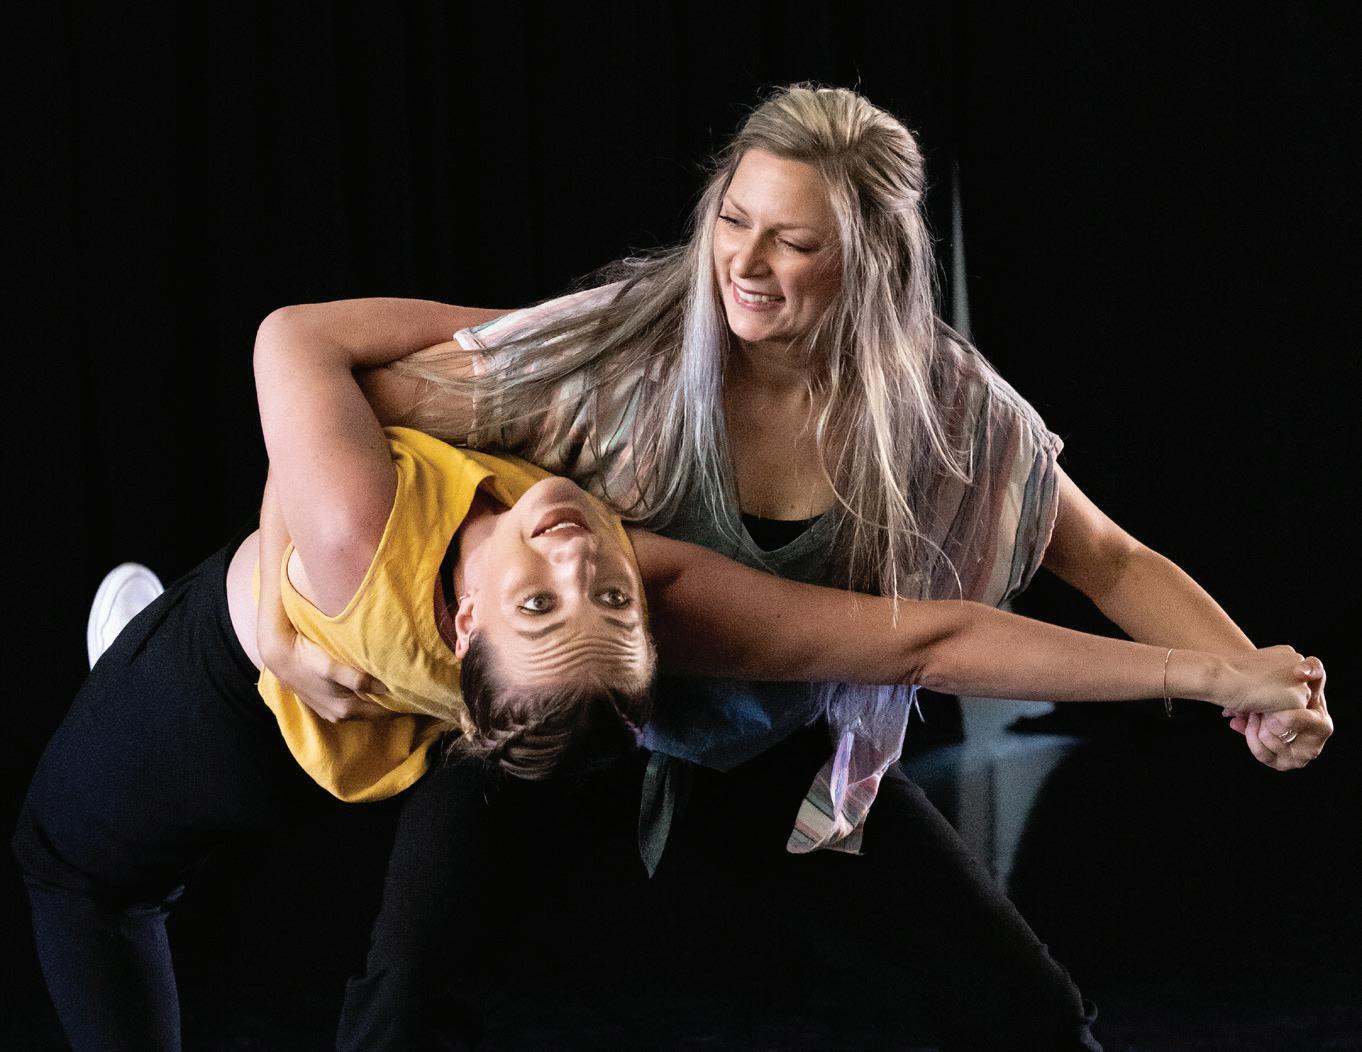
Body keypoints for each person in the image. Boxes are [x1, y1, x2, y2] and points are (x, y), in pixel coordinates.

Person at [261, 85, 1331, 1048]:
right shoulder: (624, 351)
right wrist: (276, 611)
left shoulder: (945, 412)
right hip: (560, 727)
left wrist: (1252, 685)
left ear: (873, 259)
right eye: (733, 220)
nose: (743, 261)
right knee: (406, 998)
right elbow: (345, 413)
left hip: (768, 749)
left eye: (793, 242)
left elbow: (1110, 558)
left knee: (1026, 1013)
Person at [17, 289, 1318, 1052]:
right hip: (474, 696)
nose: (576, 547)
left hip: (638, 707)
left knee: (1009, 997)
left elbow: (980, 616)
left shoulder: (922, 429)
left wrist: (1221, 673)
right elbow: (319, 374)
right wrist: (278, 584)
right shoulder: (621, 405)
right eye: (750, 240)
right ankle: (173, 644)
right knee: (398, 957)